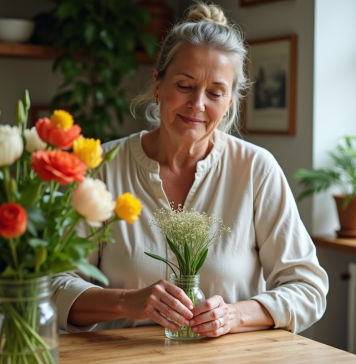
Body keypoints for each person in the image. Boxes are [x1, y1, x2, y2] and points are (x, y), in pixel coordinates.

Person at [52, 2, 328, 337]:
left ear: (229, 104)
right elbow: (53, 284)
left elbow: (308, 288)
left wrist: (235, 316)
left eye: (215, 93)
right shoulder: (103, 168)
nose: (197, 105)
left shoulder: (257, 169)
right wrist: (126, 301)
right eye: (184, 86)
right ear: (158, 84)